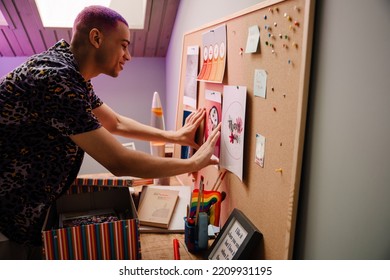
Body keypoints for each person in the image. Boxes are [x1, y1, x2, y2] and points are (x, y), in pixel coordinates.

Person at [0, 5, 220, 259]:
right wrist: (192, 162)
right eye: (124, 45)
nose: (128, 55)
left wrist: (175, 136)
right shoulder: (56, 80)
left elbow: (115, 122)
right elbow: (119, 161)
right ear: (96, 38)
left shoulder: (71, 74)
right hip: (7, 218)